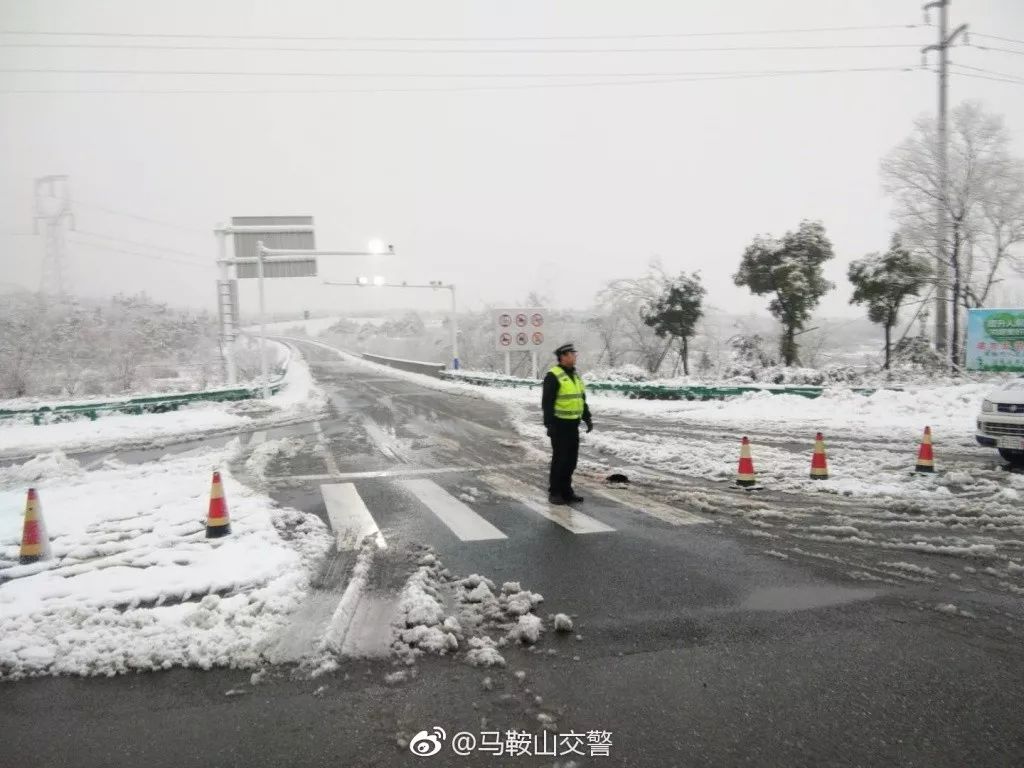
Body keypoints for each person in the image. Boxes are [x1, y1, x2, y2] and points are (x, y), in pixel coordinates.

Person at [542, 342, 593, 505]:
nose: (575, 356)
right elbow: (547, 403)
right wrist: (549, 425)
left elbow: (581, 399)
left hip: (573, 425)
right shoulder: (553, 375)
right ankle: (555, 492)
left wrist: (587, 417)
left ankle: (566, 491)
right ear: (563, 357)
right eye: (572, 354)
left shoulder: (575, 376)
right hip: (559, 425)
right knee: (560, 459)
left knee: (571, 460)